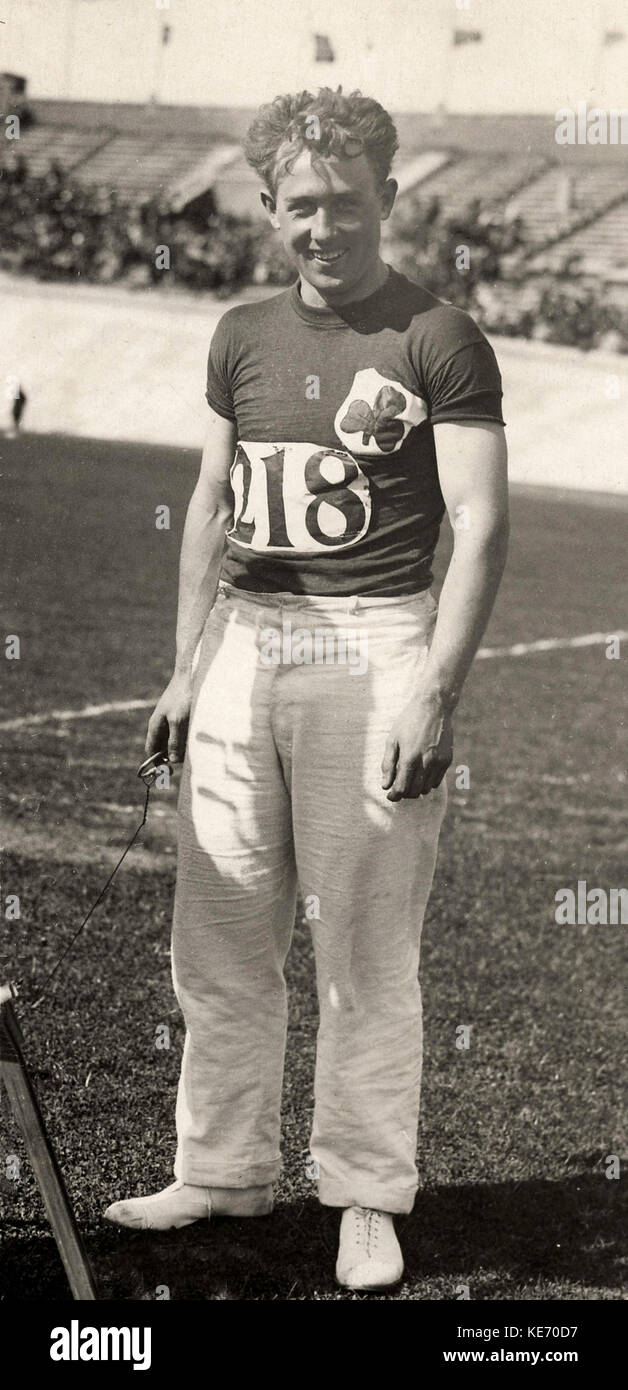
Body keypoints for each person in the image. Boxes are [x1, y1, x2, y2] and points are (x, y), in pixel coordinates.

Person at [105, 87, 509, 1292]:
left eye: (343, 202)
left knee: (364, 947)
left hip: (375, 643)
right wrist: (184, 669)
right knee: (219, 938)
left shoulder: (440, 336)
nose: (321, 227)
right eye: (298, 206)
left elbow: (482, 527)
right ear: (269, 207)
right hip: (241, 644)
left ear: (388, 197)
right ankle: (221, 1168)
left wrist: (435, 688)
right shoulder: (237, 332)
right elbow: (210, 517)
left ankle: (367, 1192)